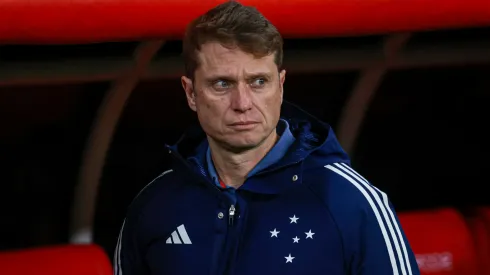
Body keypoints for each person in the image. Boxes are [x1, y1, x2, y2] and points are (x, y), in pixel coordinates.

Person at [114, 1, 420, 274]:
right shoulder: (154, 206)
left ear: (281, 85)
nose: (243, 103)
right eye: (222, 84)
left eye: (258, 81)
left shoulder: (350, 202)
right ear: (191, 93)